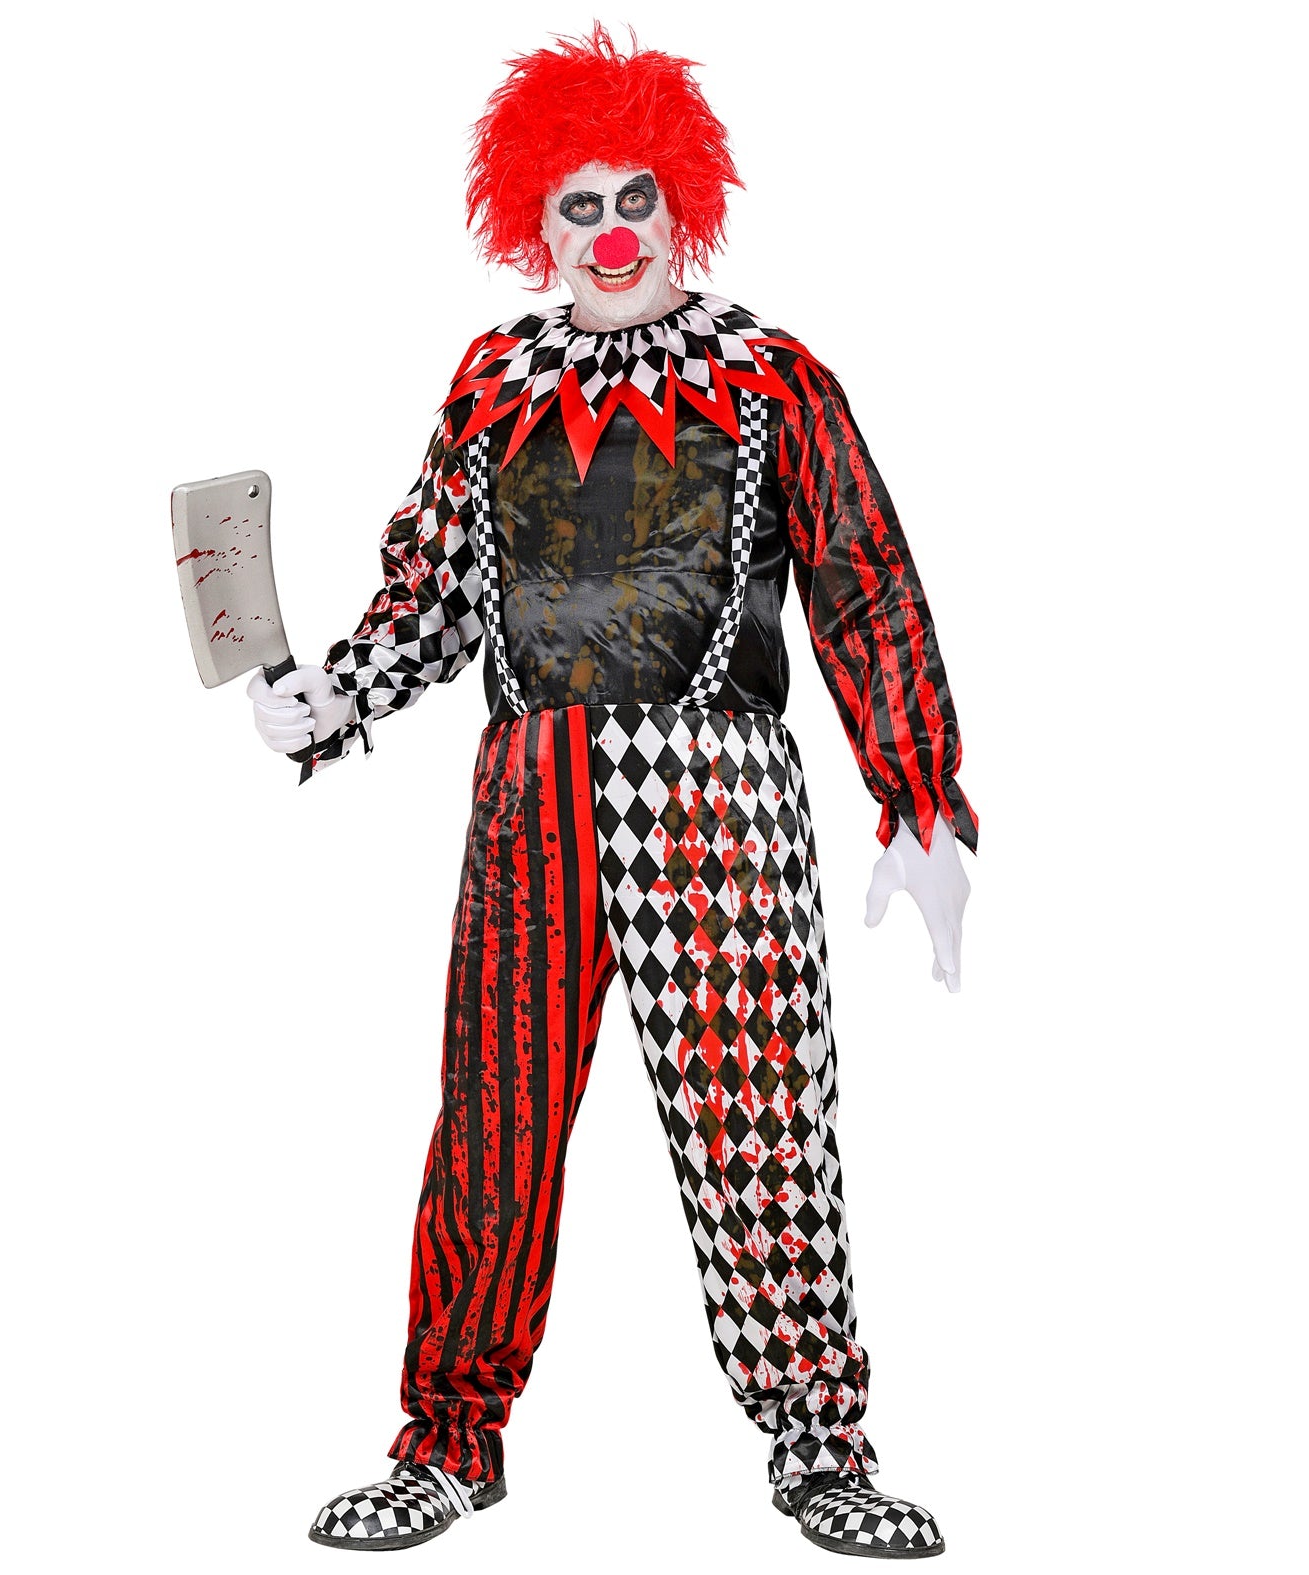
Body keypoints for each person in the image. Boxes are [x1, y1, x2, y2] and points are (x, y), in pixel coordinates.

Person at [248, 25, 975, 1560]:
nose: (610, 230)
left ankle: (819, 1446)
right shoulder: (493, 382)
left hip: (719, 790)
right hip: (529, 795)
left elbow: (861, 585)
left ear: (681, 198)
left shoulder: (769, 379)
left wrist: (916, 796)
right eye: (575, 205)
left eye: (632, 194)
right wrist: (337, 692)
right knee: (491, 1127)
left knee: (760, 1126)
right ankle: (448, 1443)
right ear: (534, 223)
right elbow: (432, 593)